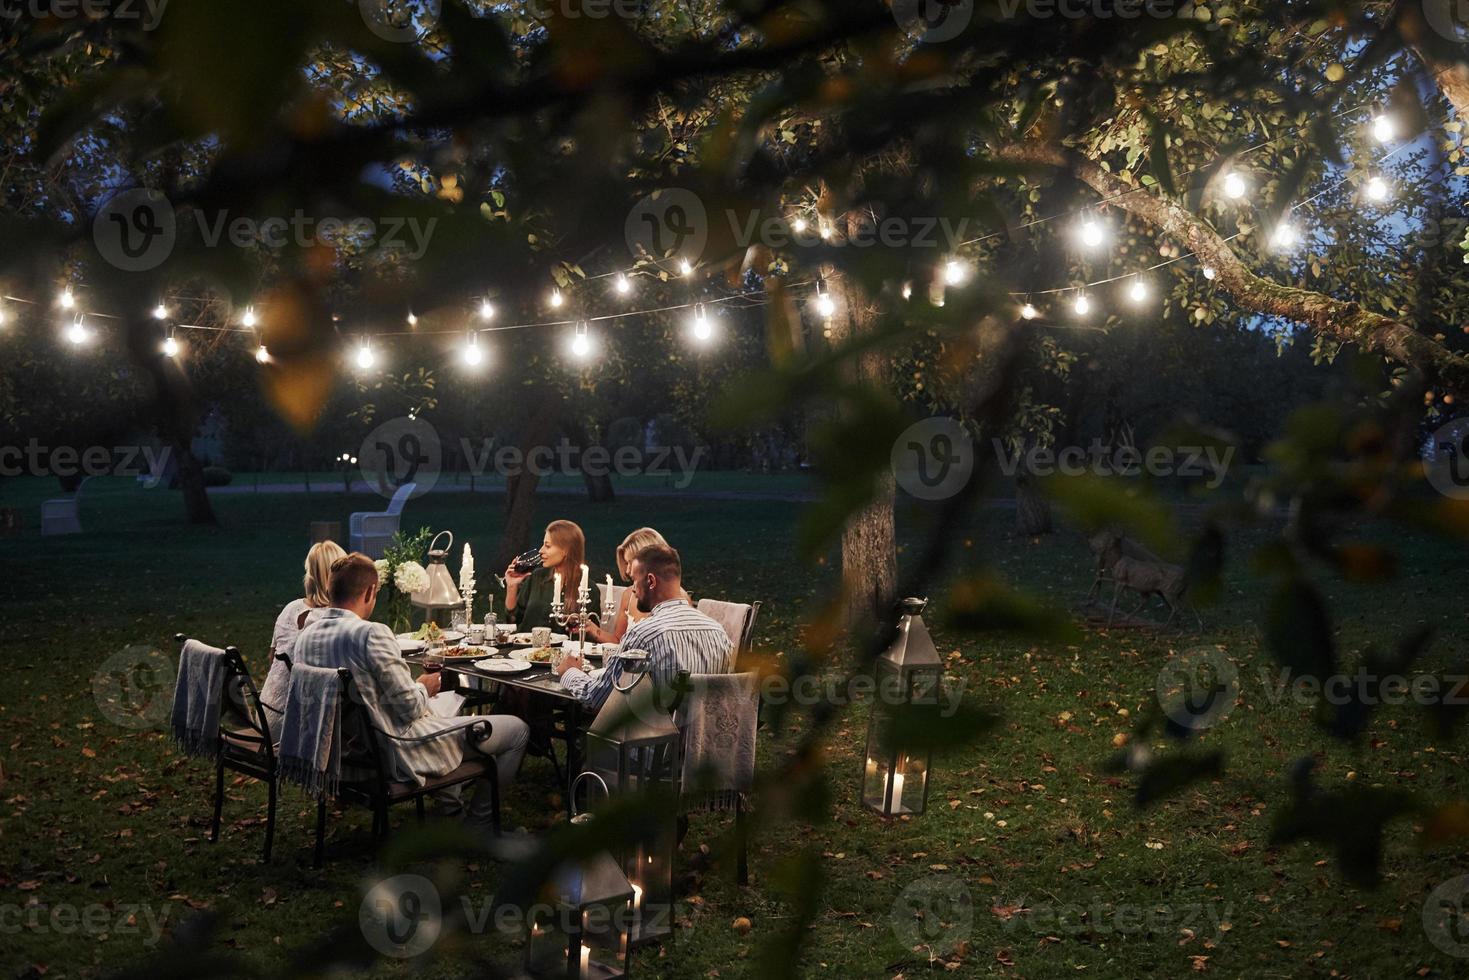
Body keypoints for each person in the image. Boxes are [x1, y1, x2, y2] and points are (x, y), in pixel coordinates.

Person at [292, 553, 529, 827]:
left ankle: (451, 812)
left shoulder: (307, 635)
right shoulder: (369, 634)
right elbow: (410, 708)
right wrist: (423, 686)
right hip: (393, 753)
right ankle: (480, 825)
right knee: (517, 730)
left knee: (445, 711)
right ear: (370, 591)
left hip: (338, 753)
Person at [555, 544, 731, 710]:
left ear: (651, 581)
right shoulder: (719, 633)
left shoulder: (644, 635)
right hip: (705, 740)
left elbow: (599, 697)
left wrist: (569, 672)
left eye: (634, 581)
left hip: (655, 739)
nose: (633, 590)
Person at [259, 540, 344, 737]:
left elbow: (272, 658)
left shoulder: (291, 607)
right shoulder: (331, 620)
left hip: (266, 714)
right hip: (293, 726)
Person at [579, 527, 691, 644]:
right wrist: (592, 629)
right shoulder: (628, 595)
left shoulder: (678, 599)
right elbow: (618, 641)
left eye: (631, 562)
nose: (627, 570)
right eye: (626, 563)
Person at [502, 519, 587, 630]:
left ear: (566, 550)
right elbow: (513, 620)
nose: (541, 551)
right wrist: (512, 586)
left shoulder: (587, 590)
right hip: (524, 645)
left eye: (547, 546)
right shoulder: (536, 577)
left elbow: (588, 638)